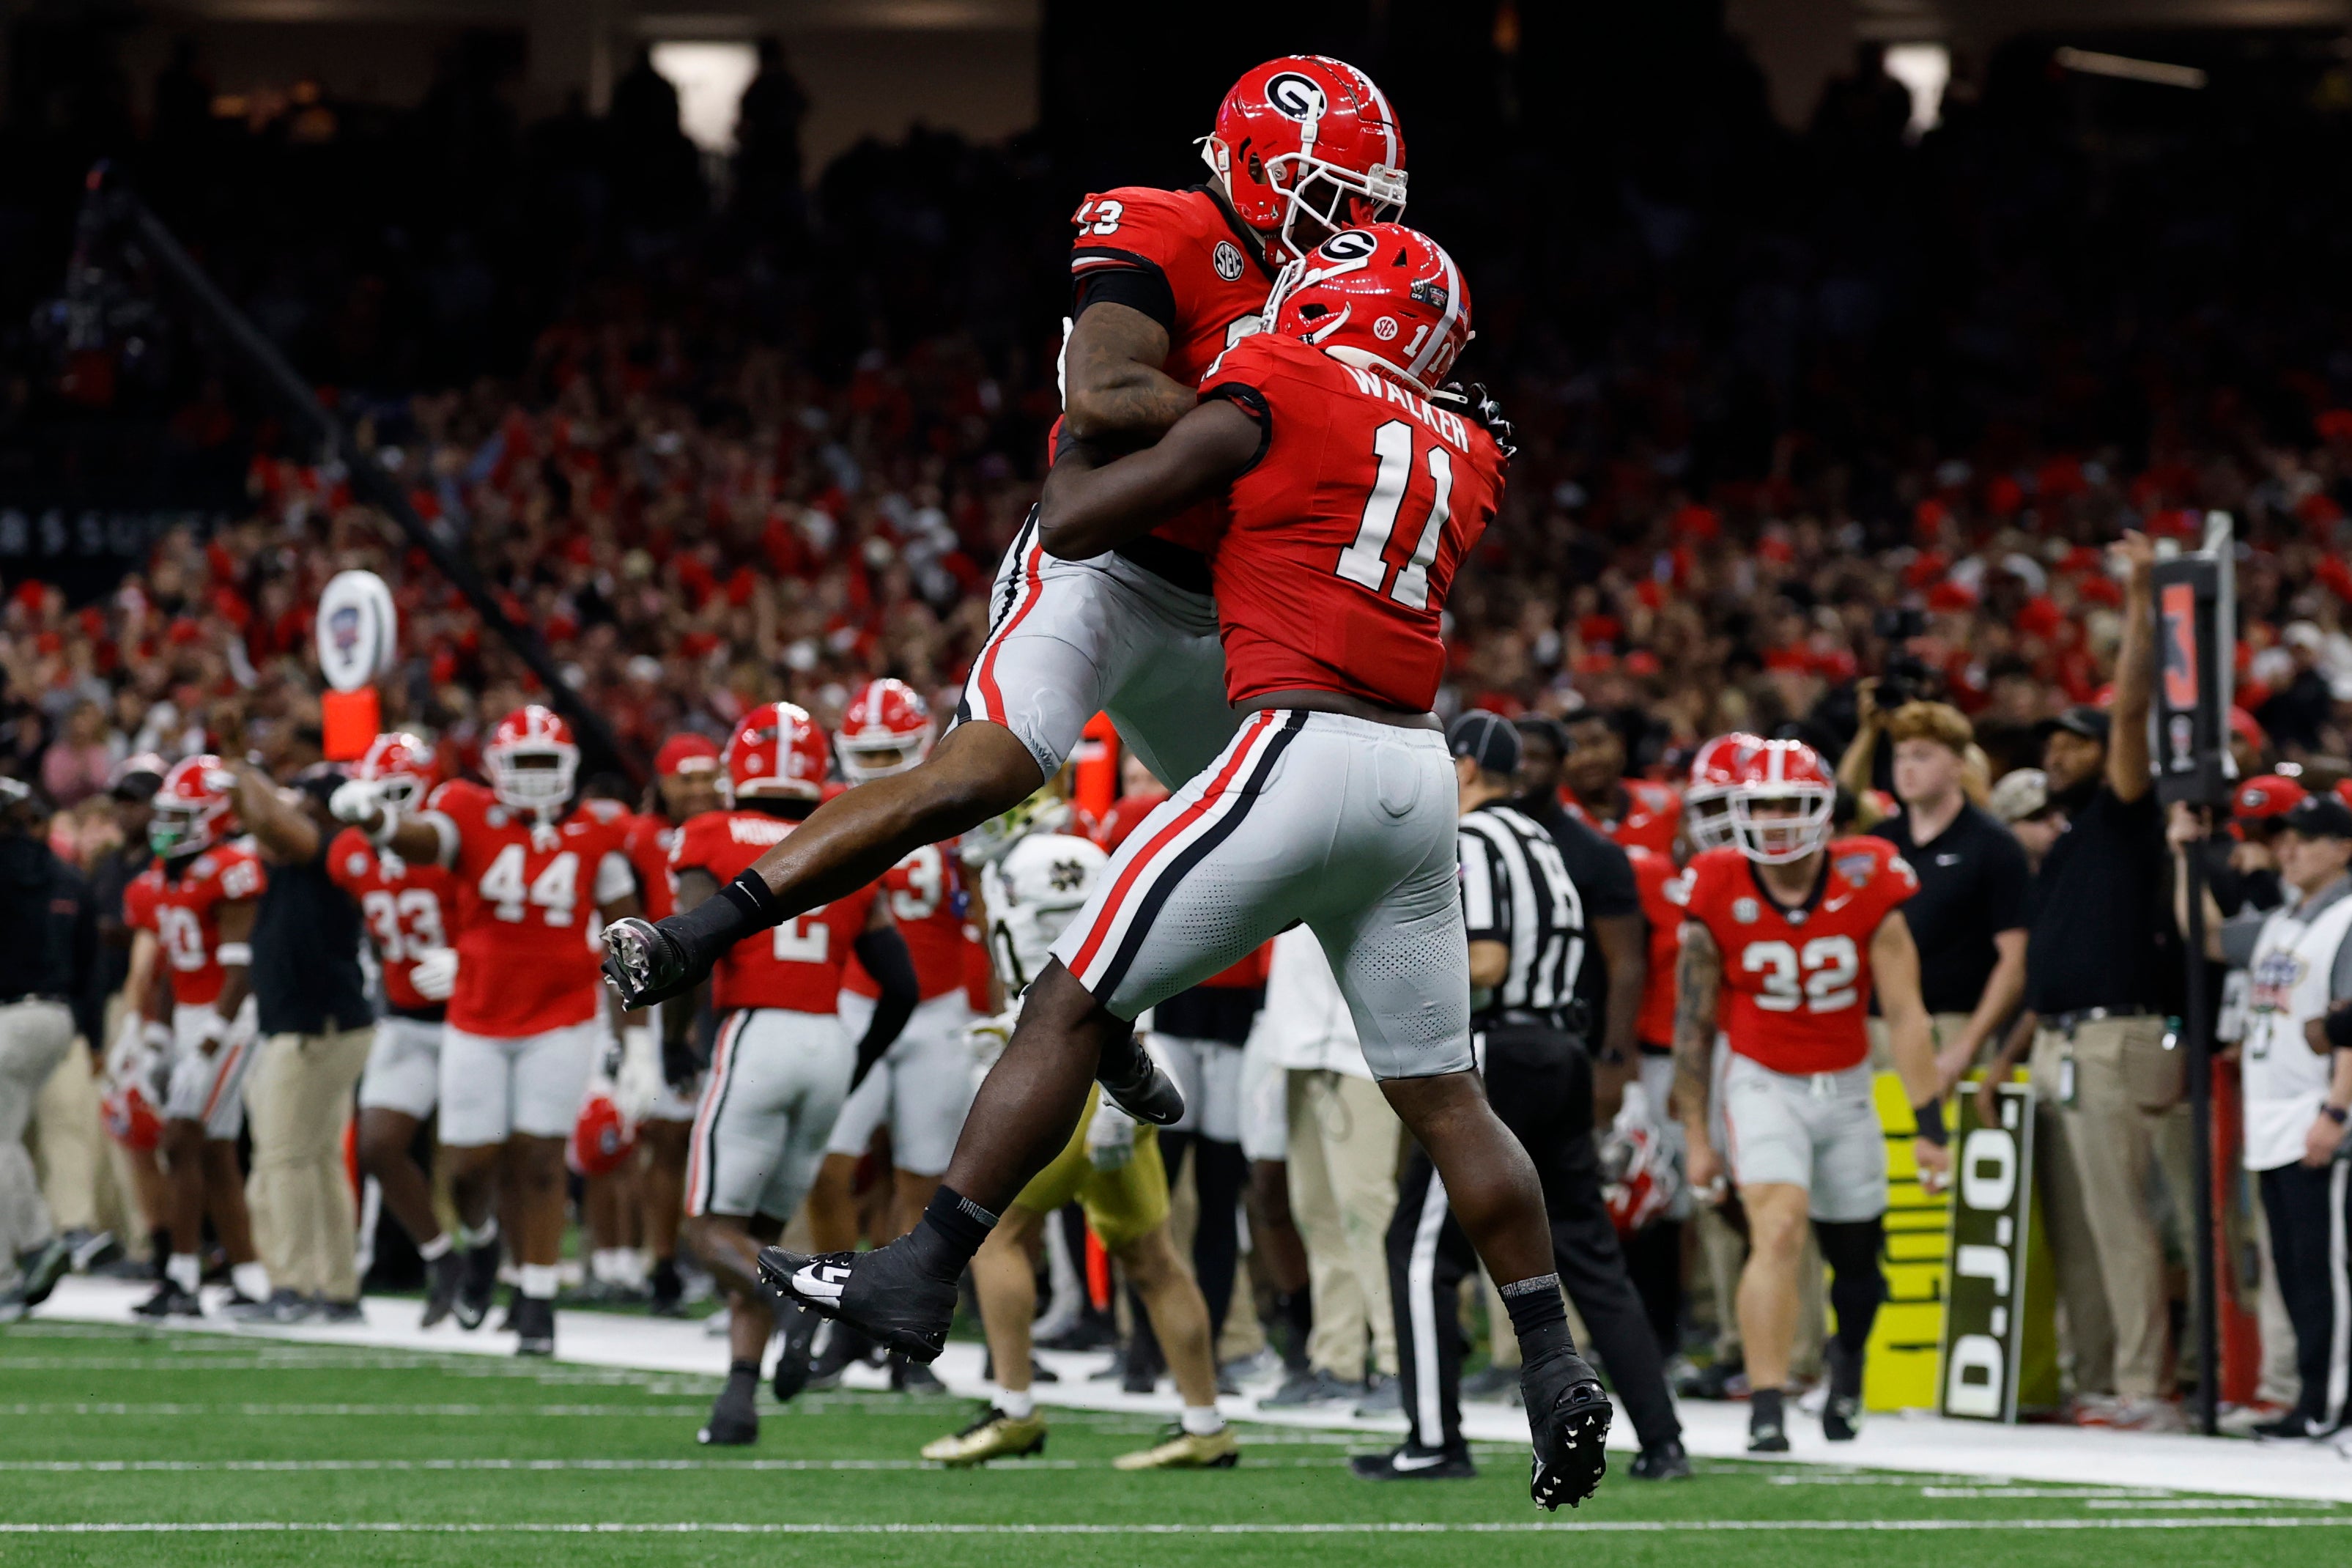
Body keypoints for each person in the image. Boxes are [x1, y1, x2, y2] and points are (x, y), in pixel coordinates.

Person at [733, 224, 1610, 1510]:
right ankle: (1550, 1360)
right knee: (1445, 1095)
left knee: (1069, 1001)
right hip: (1416, 774)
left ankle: (924, 1268)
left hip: (1296, 741)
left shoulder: (1288, 375)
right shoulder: (1466, 442)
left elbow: (1083, 516)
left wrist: (1101, 426)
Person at [598, 56, 1413, 1145]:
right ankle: (696, 933)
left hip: (1226, 609)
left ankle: (1095, 999)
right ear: (1260, 172)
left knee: (1294, 858)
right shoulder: (1165, 226)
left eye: (1366, 205)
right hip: (1102, 567)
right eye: (1330, 196)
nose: (1347, 225)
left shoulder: (1361, 286)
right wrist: (1277, 430)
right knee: (973, 777)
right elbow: (1105, 390)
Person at [1358, 714, 1687, 1482]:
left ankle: (1435, 1439)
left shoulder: (1471, 837)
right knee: (1587, 1249)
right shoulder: (1543, 837)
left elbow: (1490, 959)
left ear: (1464, 768)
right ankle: (1664, 1439)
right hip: (1561, 1052)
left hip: (1500, 1054)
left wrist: (1384, 954)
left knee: (1419, 1247)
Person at [922, 799, 1235, 1469]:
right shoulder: (1021, 861)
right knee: (1152, 1259)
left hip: (1072, 1082)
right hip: (1095, 1078)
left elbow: (1121, 969)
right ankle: (1205, 1422)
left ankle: (1014, 1409)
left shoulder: (1054, 860)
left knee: (998, 1233)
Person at [330, 705, 649, 1356]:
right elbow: (424, 842)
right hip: (477, 1015)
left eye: (543, 763)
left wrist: (637, 1039)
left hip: (559, 1015)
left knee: (538, 1158)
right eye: (521, 763)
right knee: (470, 1165)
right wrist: (379, 819)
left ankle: (536, 1300)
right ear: (497, 768)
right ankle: (477, 1245)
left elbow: (631, 941)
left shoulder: (595, 834)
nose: (532, 778)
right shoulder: (469, 812)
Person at [1674, 739, 1949, 1451]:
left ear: (1824, 810)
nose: (1773, 819)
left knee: (1857, 1258)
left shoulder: (1869, 874)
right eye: (1760, 803)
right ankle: (1767, 1402)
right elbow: (1692, 1024)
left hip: (1848, 1080)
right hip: (1761, 1076)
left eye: (1790, 804)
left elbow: (1907, 1009)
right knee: (1779, 1227)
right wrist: (1698, 1137)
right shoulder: (1714, 879)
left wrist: (1930, 1123)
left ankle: (1846, 1365)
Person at [673, 703, 917, 1447]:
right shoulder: (845, 830)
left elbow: (687, 946)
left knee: (708, 1231)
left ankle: (801, 1299)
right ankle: (737, 1401)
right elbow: (900, 983)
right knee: (758, 1236)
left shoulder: (710, 833)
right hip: (827, 1037)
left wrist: (672, 1039)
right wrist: (859, 1061)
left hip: (756, 1029)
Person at [2018, 534, 2183, 1430]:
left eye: (2073, 743)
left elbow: (2130, 717)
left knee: (2123, 1220)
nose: (2059, 753)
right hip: (2063, 1039)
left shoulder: (2124, 815)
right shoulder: (2070, 840)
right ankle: (2100, 1374)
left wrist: (2143, 593)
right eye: (2053, 744)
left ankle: (2147, 1386)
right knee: (2081, 1228)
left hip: (2118, 1037)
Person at [802, 678, 976, 1392]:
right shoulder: (829, 807)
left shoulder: (963, 802)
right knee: (830, 1165)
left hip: (938, 1009)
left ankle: (904, 1335)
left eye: (889, 751)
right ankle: (845, 1316)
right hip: (857, 1003)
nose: (876, 766)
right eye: (865, 753)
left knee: (922, 1179)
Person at [2175, 793, 2352, 1438]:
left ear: (2343, 847)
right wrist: (2184, 857)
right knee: (2294, 1267)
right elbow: (2211, 935)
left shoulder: (2347, 918)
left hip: (2315, 1110)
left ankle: (2328, 1402)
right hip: (2275, 1114)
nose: (2288, 849)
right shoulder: (2283, 921)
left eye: (2304, 838)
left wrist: (2336, 1110)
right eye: (2282, 839)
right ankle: (2309, 1400)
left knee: (2323, 1266)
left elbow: (2349, 1026)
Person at [221, 747, 376, 1324]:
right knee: (316, 1160)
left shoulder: (333, 850)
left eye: (307, 805)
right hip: (328, 1022)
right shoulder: (307, 856)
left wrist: (240, 765)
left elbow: (268, 821)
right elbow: (263, 821)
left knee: (284, 1157)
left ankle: (291, 1285)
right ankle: (337, 1288)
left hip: (315, 1026)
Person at [327, 733, 476, 1327]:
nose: (387, 812)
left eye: (399, 795)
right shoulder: (350, 854)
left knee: (475, 1160)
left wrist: (468, 959)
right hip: (407, 1020)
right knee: (377, 1145)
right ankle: (442, 1258)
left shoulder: (453, 844)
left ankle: (496, 1258)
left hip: (472, 1018)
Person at [121, 758, 270, 1317]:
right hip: (188, 1012)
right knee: (213, 1153)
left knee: (181, 1138)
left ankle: (182, 1277)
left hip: (229, 1017)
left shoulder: (230, 870)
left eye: (182, 817)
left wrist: (206, 1044)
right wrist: (159, 1039)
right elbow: (167, 967)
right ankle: (249, 1275)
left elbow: (240, 971)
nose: (167, 827)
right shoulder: (164, 876)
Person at [1865, 702, 2030, 1093]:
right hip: (1878, 1025)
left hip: (1954, 1023)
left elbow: (2014, 960)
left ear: (1958, 765)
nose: (1905, 767)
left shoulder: (1994, 845)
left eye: (1922, 756)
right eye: (1900, 755)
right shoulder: (1880, 843)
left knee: (1948, 1151)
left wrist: (1967, 1045)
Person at [630, 733, 723, 1318]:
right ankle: (661, 1263)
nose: (696, 789)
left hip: (728, 996)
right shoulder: (639, 839)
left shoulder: (734, 828)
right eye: (684, 779)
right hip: (664, 995)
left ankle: (719, 1262)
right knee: (666, 1139)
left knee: (720, 1139)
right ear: (661, 783)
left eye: (705, 776)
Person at [0, 777, 98, 1320]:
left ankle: (24, 1256)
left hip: (12, 1016)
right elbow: (90, 957)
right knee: (8, 1138)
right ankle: (35, 1244)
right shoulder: (63, 873)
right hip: (58, 1017)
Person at [1560, 711, 1682, 858]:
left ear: (1620, 743)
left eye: (1596, 742)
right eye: (1573, 748)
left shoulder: (1665, 805)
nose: (1587, 758)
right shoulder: (1549, 816)